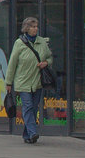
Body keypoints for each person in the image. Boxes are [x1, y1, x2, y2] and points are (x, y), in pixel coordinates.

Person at [5, 16, 52, 144]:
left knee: (34, 108)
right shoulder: (19, 43)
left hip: (37, 82)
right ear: (26, 28)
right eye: (33, 26)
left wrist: (46, 63)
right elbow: (12, 63)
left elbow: (50, 57)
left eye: (36, 26)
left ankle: (27, 136)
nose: (35, 29)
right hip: (23, 81)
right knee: (28, 106)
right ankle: (33, 132)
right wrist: (8, 82)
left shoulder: (42, 42)